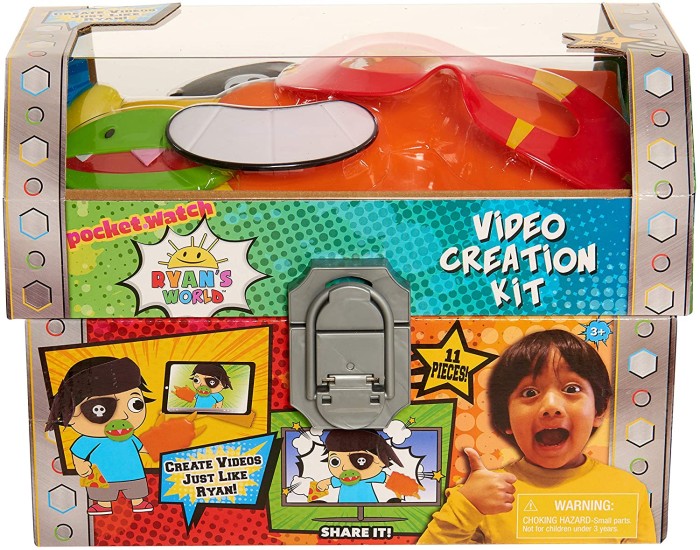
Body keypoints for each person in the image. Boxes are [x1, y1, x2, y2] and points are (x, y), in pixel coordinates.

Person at [418, 329, 656, 543]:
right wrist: (467, 506)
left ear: (599, 409)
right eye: (530, 392)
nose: (551, 406)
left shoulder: (627, 490)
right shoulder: (485, 492)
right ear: (505, 419)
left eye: (571, 389)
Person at [45, 356, 155, 516]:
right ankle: (103, 504)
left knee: (136, 488)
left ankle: (138, 501)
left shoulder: (129, 437)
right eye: (100, 409)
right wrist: (81, 466)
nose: (123, 416)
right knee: (103, 492)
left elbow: (143, 447)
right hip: (103, 476)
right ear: (71, 414)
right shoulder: (89, 440)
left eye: (135, 404)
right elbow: (78, 455)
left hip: (133, 474)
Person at [316, 429, 402, 503]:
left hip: (369, 507)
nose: (345, 468)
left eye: (361, 459)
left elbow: (388, 479)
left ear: (380, 461)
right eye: (335, 461)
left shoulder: (370, 477)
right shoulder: (343, 479)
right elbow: (328, 482)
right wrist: (322, 484)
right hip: (344, 509)